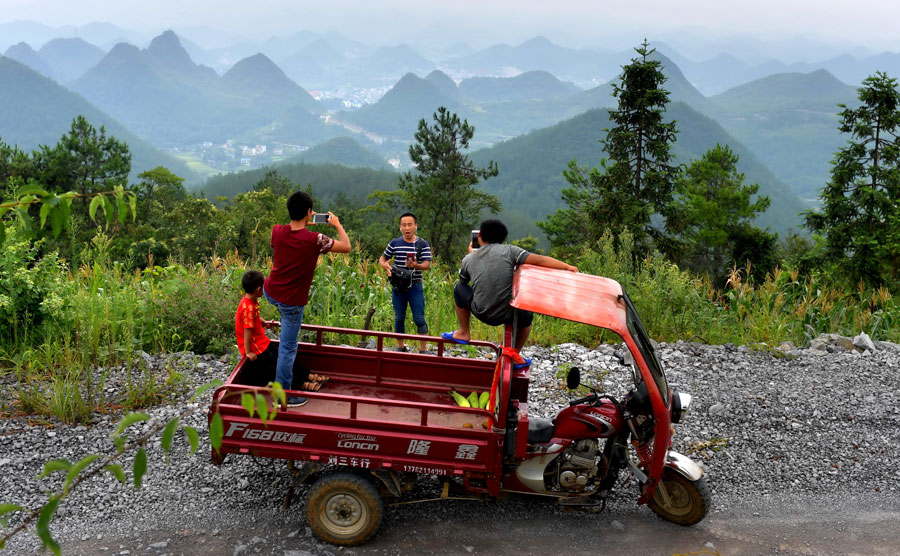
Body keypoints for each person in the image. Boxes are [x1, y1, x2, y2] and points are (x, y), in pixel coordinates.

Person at [442, 219, 577, 368]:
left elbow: (463, 280)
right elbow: (541, 260)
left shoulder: (469, 259)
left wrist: (472, 256)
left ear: (479, 235)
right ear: (503, 238)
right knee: (526, 309)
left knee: (459, 288)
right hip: (509, 314)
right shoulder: (510, 251)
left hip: (481, 311)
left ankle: (464, 331)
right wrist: (567, 267)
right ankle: (514, 353)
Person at [263, 191, 351, 406]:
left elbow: (292, 233)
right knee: (287, 348)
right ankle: (282, 396)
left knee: (285, 334)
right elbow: (346, 246)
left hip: (270, 292)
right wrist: (337, 224)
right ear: (309, 212)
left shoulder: (277, 231)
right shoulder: (315, 240)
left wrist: (303, 221)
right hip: (291, 301)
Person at [236, 270, 329, 392]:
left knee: (284, 358)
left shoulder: (250, 301)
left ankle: (307, 375)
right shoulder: (248, 308)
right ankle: (300, 383)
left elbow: (254, 318)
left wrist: (263, 322)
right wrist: (248, 352)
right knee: (276, 367)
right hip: (256, 348)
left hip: (262, 342)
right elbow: (247, 330)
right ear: (258, 289)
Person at [378, 212, 432, 352]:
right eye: (404, 225)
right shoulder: (394, 243)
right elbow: (382, 259)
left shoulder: (422, 244)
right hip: (398, 286)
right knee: (399, 317)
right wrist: (385, 265)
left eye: (410, 225)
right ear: (400, 227)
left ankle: (423, 350)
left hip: (415, 285)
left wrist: (416, 265)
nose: (407, 228)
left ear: (415, 226)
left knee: (419, 318)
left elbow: (427, 265)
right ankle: (400, 347)